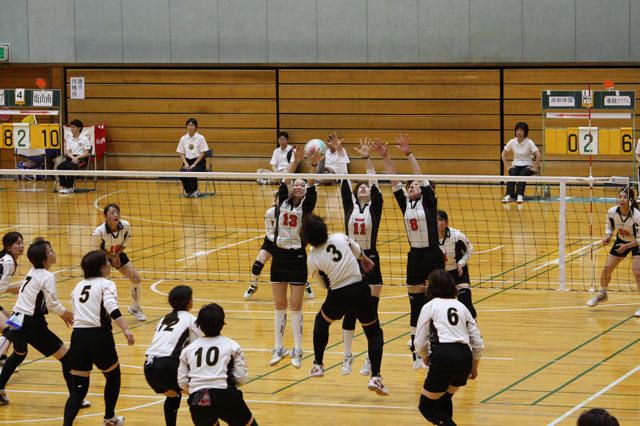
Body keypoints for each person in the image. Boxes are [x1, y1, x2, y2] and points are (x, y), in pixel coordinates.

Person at [376, 134, 445, 370]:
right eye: (410, 185)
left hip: (433, 255)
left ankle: (436, 344)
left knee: (434, 302)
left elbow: (420, 176)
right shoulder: (406, 203)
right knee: (415, 305)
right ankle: (417, 351)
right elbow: (394, 181)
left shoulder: (429, 201)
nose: (412, 186)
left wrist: (408, 153)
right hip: (414, 257)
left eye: (415, 184)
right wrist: (385, 157)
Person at [303, 214, 388, 395]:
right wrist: (365, 260)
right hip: (359, 289)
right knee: (374, 333)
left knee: (321, 322)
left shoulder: (312, 258)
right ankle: (376, 377)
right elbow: (359, 251)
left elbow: (323, 284)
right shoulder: (340, 237)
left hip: (338, 296)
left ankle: (318, 365)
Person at [0, 238, 90, 409]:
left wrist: (62, 314)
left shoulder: (32, 271)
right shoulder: (47, 276)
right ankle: (76, 398)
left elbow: (40, 301)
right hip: (31, 322)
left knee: (19, 354)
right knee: (66, 356)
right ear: (43, 258)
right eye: (50, 251)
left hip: (17, 317)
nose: (53, 253)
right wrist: (71, 314)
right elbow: (53, 306)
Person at [63, 250, 135, 426]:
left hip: (78, 337)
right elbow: (111, 306)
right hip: (99, 336)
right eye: (108, 262)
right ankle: (109, 418)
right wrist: (125, 329)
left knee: (78, 390)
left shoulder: (77, 287)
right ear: (102, 267)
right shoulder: (106, 284)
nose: (110, 264)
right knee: (113, 376)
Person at [269, 148, 321, 369]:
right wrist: (296, 161)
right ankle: (278, 347)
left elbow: (312, 184)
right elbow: (286, 180)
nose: (299, 187)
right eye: (296, 184)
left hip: (298, 257)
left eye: (302, 185)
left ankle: (298, 349)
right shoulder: (282, 200)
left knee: (296, 306)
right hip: (279, 256)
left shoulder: (307, 205)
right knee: (279, 305)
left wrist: (313, 165)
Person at [337, 136, 384, 376]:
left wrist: (367, 159)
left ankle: (369, 357)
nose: (364, 187)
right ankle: (347, 356)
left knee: (371, 313)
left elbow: (374, 182)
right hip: (351, 263)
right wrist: (340, 152)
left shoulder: (375, 207)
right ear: (356, 194)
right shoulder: (350, 206)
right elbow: (344, 180)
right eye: (360, 187)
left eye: (366, 187)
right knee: (350, 312)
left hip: (371, 261)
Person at [415, 270, 484, 426]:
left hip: (444, 356)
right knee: (443, 400)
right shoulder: (462, 307)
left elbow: (419, 341)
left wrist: (424, 357)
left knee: (426, 406)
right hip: (464, 357)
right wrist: (474, 366)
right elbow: (478, 342)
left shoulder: (430, 306)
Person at [178, 303, 257, 426]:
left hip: (198, 397)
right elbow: (241, 378)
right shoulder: (232, 346)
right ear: (222, 323)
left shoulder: (188, 350)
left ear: (199, 324)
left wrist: (197, 389)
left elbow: (182, 383)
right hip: (225, 395)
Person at [145, 285, 200, 426]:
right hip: (168, 366)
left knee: (174, 394)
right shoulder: (191, 320)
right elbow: (197, 350)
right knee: (200, 394)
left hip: (149, 368)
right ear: (189, 302)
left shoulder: (165, 319)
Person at [243, 192, 314, 300]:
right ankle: (253, 285)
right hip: (272, 242)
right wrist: (279, 241)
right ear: (275, 201)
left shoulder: (293, 212)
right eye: (279, 199)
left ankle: (306, 284)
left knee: (295, 267)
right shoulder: (270, 212)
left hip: (288, 243)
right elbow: (269, 233)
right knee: (257, 264)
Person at [587, 185, 640, 317]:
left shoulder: (637, 216)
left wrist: (626, 247)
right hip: (621, 240)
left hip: (637, 243)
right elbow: (609, 226)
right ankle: (602, 294)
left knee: (637, 272)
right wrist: (608, 236)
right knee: (607, 268)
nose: (621, 199)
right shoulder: (612, 212)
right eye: (620, 197)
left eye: (625, 197)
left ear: (631, 201)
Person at [91, 203, 146, 321]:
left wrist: (116, 255)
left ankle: (135, 307)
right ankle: (101, 311)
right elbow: (96, 249)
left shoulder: (125, 226)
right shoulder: (99, 232)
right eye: (112, 213)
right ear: (105, 217)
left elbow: (126, 242)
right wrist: (110, 257)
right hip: (102, 257)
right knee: (104, 285)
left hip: (117, 253)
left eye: (117, 212)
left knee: (136, 278)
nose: (116, 215)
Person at [437, 210, 477, 318]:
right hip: (441, 274)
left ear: (446, 223)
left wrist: (461, 263)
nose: (437, 223)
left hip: (458, 272)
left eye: (439, 220)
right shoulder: (430, 237)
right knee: (441, 305)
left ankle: (473, 325)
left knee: (465, 301)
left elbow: (470, 249)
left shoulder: (457, 236)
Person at [501, 122, 541, 203]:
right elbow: (503, 154)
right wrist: (507, 167)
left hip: (527, 165)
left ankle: (520, 195)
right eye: (517, 130)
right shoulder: (512, 142)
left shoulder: (529, 142)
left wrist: (535, 168)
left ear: (525, 132)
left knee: (522, 174)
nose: (519, 132)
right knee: (512, 173)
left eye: (521, 130)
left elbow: (538, 154)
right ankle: (508, 195)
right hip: (516, 165)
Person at [0, 232, 24, 365]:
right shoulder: (9, 262)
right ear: (9, 247)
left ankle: (2, 358)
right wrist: (18, 289)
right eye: (18, 243)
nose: (22, 246)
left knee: (14, 325)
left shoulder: (7, 259)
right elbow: (1, 288)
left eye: (22, 242)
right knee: (10, 329)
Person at [177, 118, 209, 198]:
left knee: (191, 171)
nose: (190, 127)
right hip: (187, 162)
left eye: (192, 125)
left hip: (199, 163)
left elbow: (203, 153)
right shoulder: (183, 138)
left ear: (196, 127)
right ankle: (189, 191)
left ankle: (195, 190)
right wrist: (186, 163)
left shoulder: (201, 138)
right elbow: (181, 153)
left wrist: (194, 164)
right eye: (188, 125)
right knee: (182, 172)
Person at [57, 119, 91, 193]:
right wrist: (73, 158)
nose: (72, 129)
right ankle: (63, 186)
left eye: (74, 127)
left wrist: (77, 158)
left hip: (81, 158)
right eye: (71, 127)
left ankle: (69, 187)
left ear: (79, 128)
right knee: (60, 167)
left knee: (71, 167)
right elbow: (68, 151)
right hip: (71, 157)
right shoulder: (69, 139)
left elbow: (86, 153)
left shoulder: (85, 139)